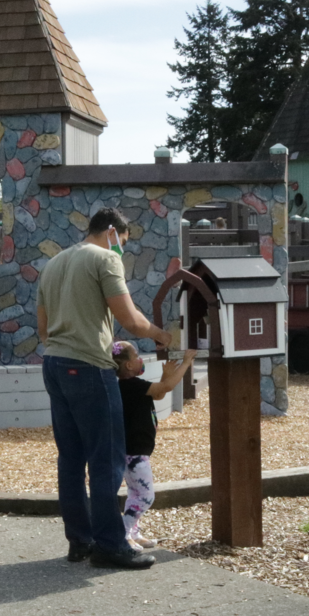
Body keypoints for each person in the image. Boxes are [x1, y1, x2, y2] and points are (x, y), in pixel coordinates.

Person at [37, 208, 172, 570]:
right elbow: (129, 319)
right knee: (106, 458)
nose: (121, 250)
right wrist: (161, 335)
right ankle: (110, 545)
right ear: (112, 232)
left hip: (53, 364)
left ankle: (79, 541)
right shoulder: (104, 260)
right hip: (89, 367)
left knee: (70, 458)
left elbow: (43, 329)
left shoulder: (54, 264)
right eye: (123, 243)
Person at [113, 341, 197, 549]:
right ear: (129, 365)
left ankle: (134, 532)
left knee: (135, 493)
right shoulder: (131, 386)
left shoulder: (132, 386)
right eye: (136, 356)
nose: (140, 359)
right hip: (134, 453)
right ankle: (123, 533)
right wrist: (185, 363)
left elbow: (159, 392)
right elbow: (166, 388)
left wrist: (166, 374)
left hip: (135, 451)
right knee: (145, 496)